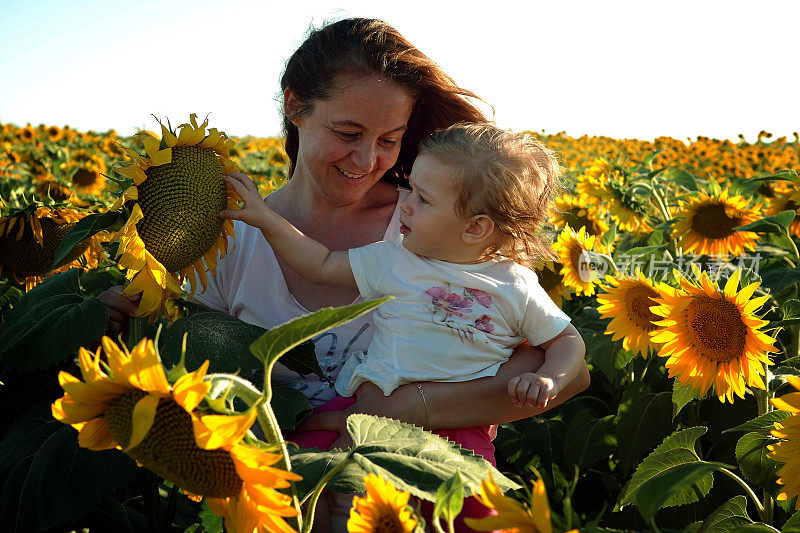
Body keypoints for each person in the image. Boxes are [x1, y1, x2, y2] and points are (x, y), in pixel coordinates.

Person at [100, 18, 591, 532]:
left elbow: (566, 370)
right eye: (347, 133)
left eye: (390, 139)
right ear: (295, 106)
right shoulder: (231, 239)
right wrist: (130, 317)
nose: (367, 159)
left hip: (421, 492)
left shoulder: (434, 226)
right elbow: (191, 367)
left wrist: (398, 414)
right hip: (284, 505)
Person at [220, 122, 586, 531]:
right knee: (297, 477)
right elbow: (320, 263)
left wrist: (550, 378)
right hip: (361, 409)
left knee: (468, 519)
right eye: (411, 190)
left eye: (424, 199)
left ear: (475, 228)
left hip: (458, 429)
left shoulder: (513, 284)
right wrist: (267, 220)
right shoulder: (394, 259)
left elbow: (566, 340)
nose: (406, 204)